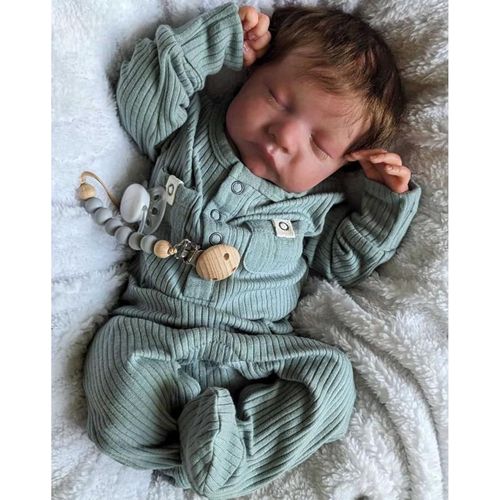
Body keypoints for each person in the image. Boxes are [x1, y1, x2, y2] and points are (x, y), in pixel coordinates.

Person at [83, 3, 421, 498]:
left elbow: (343, 263)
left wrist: (384, 204)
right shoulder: (189, 132)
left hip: (257, 351)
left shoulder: (316, 205)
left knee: (332, 380)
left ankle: (232, 454)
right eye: (277, 99)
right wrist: (217, 40)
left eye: (319, 144)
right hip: (155, 330)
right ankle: (204, 456)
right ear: (250, 72)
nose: (285, 136)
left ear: (343, 166)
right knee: (115, 376)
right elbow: (141, 93)